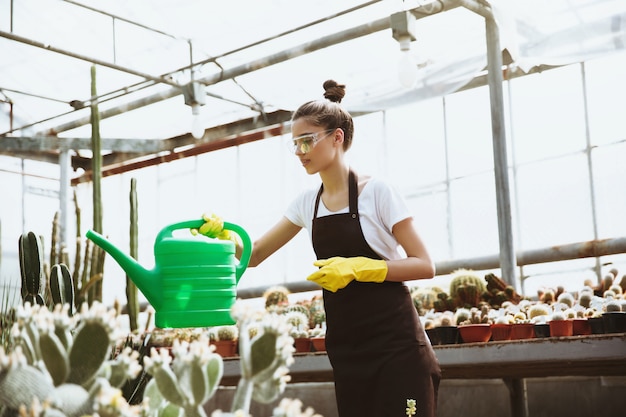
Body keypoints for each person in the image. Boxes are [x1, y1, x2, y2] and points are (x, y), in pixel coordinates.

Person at [244, 79, 441, 416]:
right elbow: (256, 254)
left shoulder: (377, 191)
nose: (300, 152)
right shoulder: (308, 203)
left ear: (337, 137)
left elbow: (424, 264)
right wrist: (223, 239)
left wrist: (363, 268)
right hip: (349, 352)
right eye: (295, 144)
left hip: (397, 351)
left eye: (307, 141)